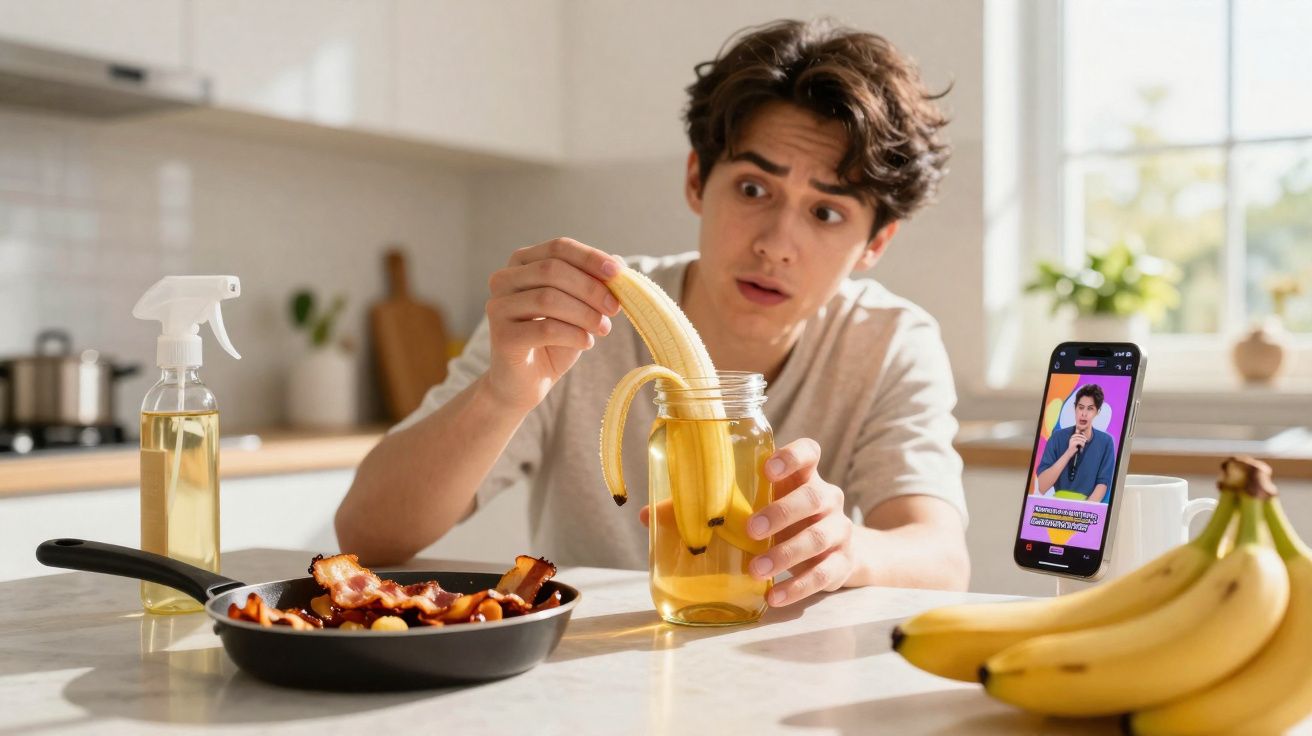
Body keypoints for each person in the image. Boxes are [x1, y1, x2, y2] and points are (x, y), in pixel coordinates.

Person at [336, 19, 970, 605]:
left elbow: (942, 558)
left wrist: (849, 547)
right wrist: (503, 395)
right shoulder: (575, 319)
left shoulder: (891, 342)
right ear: (697, 180)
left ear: (876, 243)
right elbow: (366, 534)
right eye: (753, 188)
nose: (776, 244)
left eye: (826, 212)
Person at [1034, 384, 1116, 503]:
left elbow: (1103, 484)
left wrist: (1083, 511)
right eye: (1081, 407)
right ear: (1075, 408)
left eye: (1090, 409)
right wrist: (1068, 453)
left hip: (1088, 508)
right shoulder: (1057, 437)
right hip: (1057, 507)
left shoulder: (1106, 442)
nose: (1084, 413)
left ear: (1097, 412)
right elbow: (1042, 486)